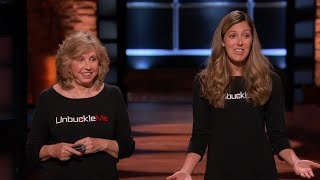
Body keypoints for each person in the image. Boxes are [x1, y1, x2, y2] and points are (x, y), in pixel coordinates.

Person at [167, 10, 320, 180]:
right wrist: (186, 171)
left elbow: (278, 135)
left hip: (261, 173)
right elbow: (199, 136)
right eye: (233, 36)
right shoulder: (204, 82)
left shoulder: (270, 80)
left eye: (246, 36)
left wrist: (295, 161)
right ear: (223, 41)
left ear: (252, 40)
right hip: (220, 173)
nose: (239, 42)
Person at [26, 31, 135, 180]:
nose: (88, 66)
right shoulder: (48, 98)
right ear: (68, 64)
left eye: (93, 59)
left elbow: (127, 146)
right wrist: (53, 150)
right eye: (80, 60)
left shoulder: (112, 95)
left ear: (100, 63)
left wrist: (100, 144)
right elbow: (31, 150)